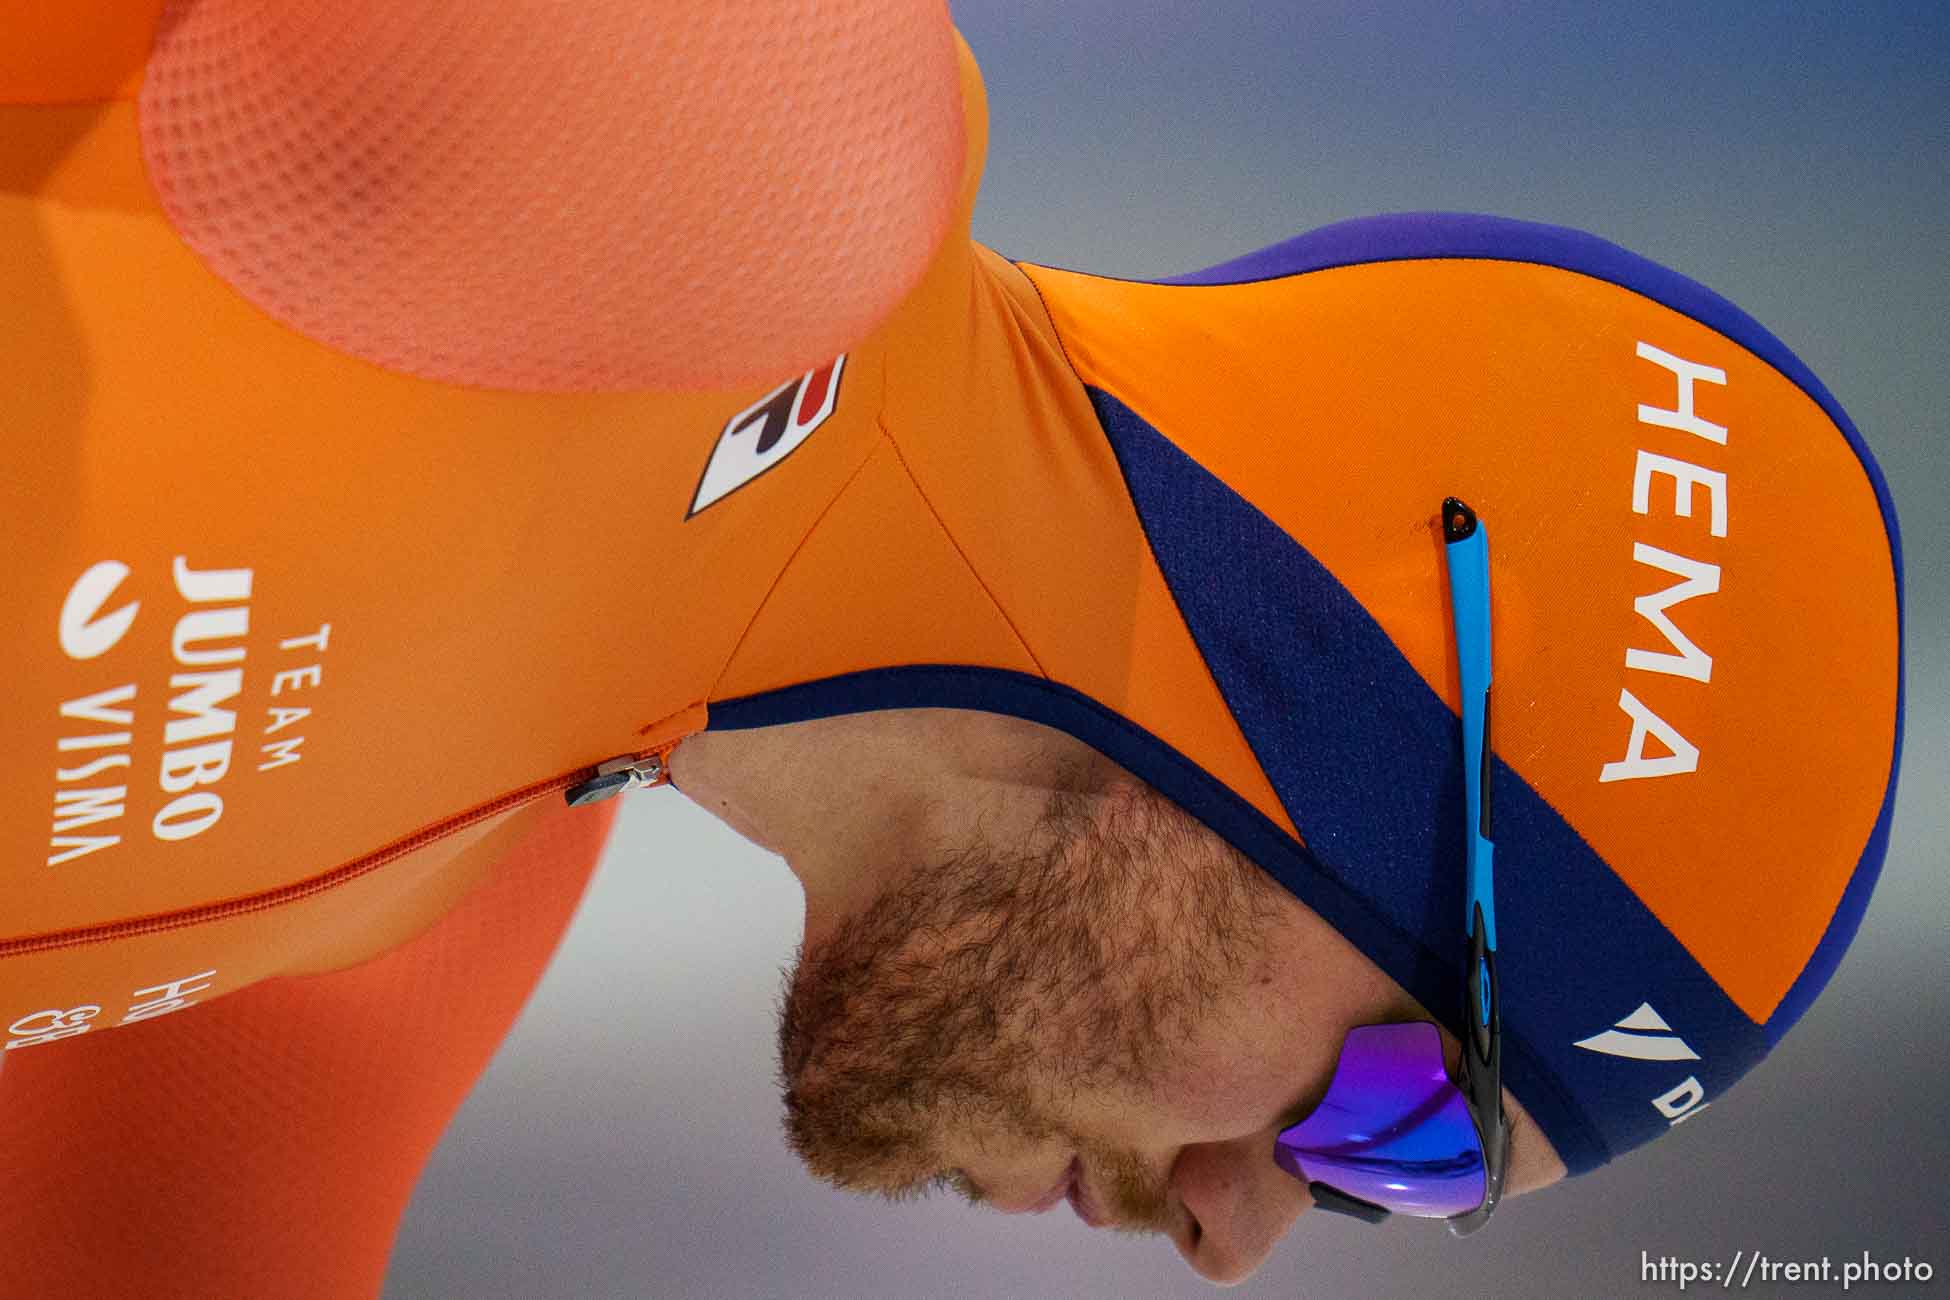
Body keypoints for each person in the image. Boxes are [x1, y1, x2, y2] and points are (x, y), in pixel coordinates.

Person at [0, 1, 1904, 1293]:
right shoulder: (740, 138)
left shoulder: (394, 943)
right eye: (1402, 1131)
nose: (1235, 1234)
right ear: (1347, 712)